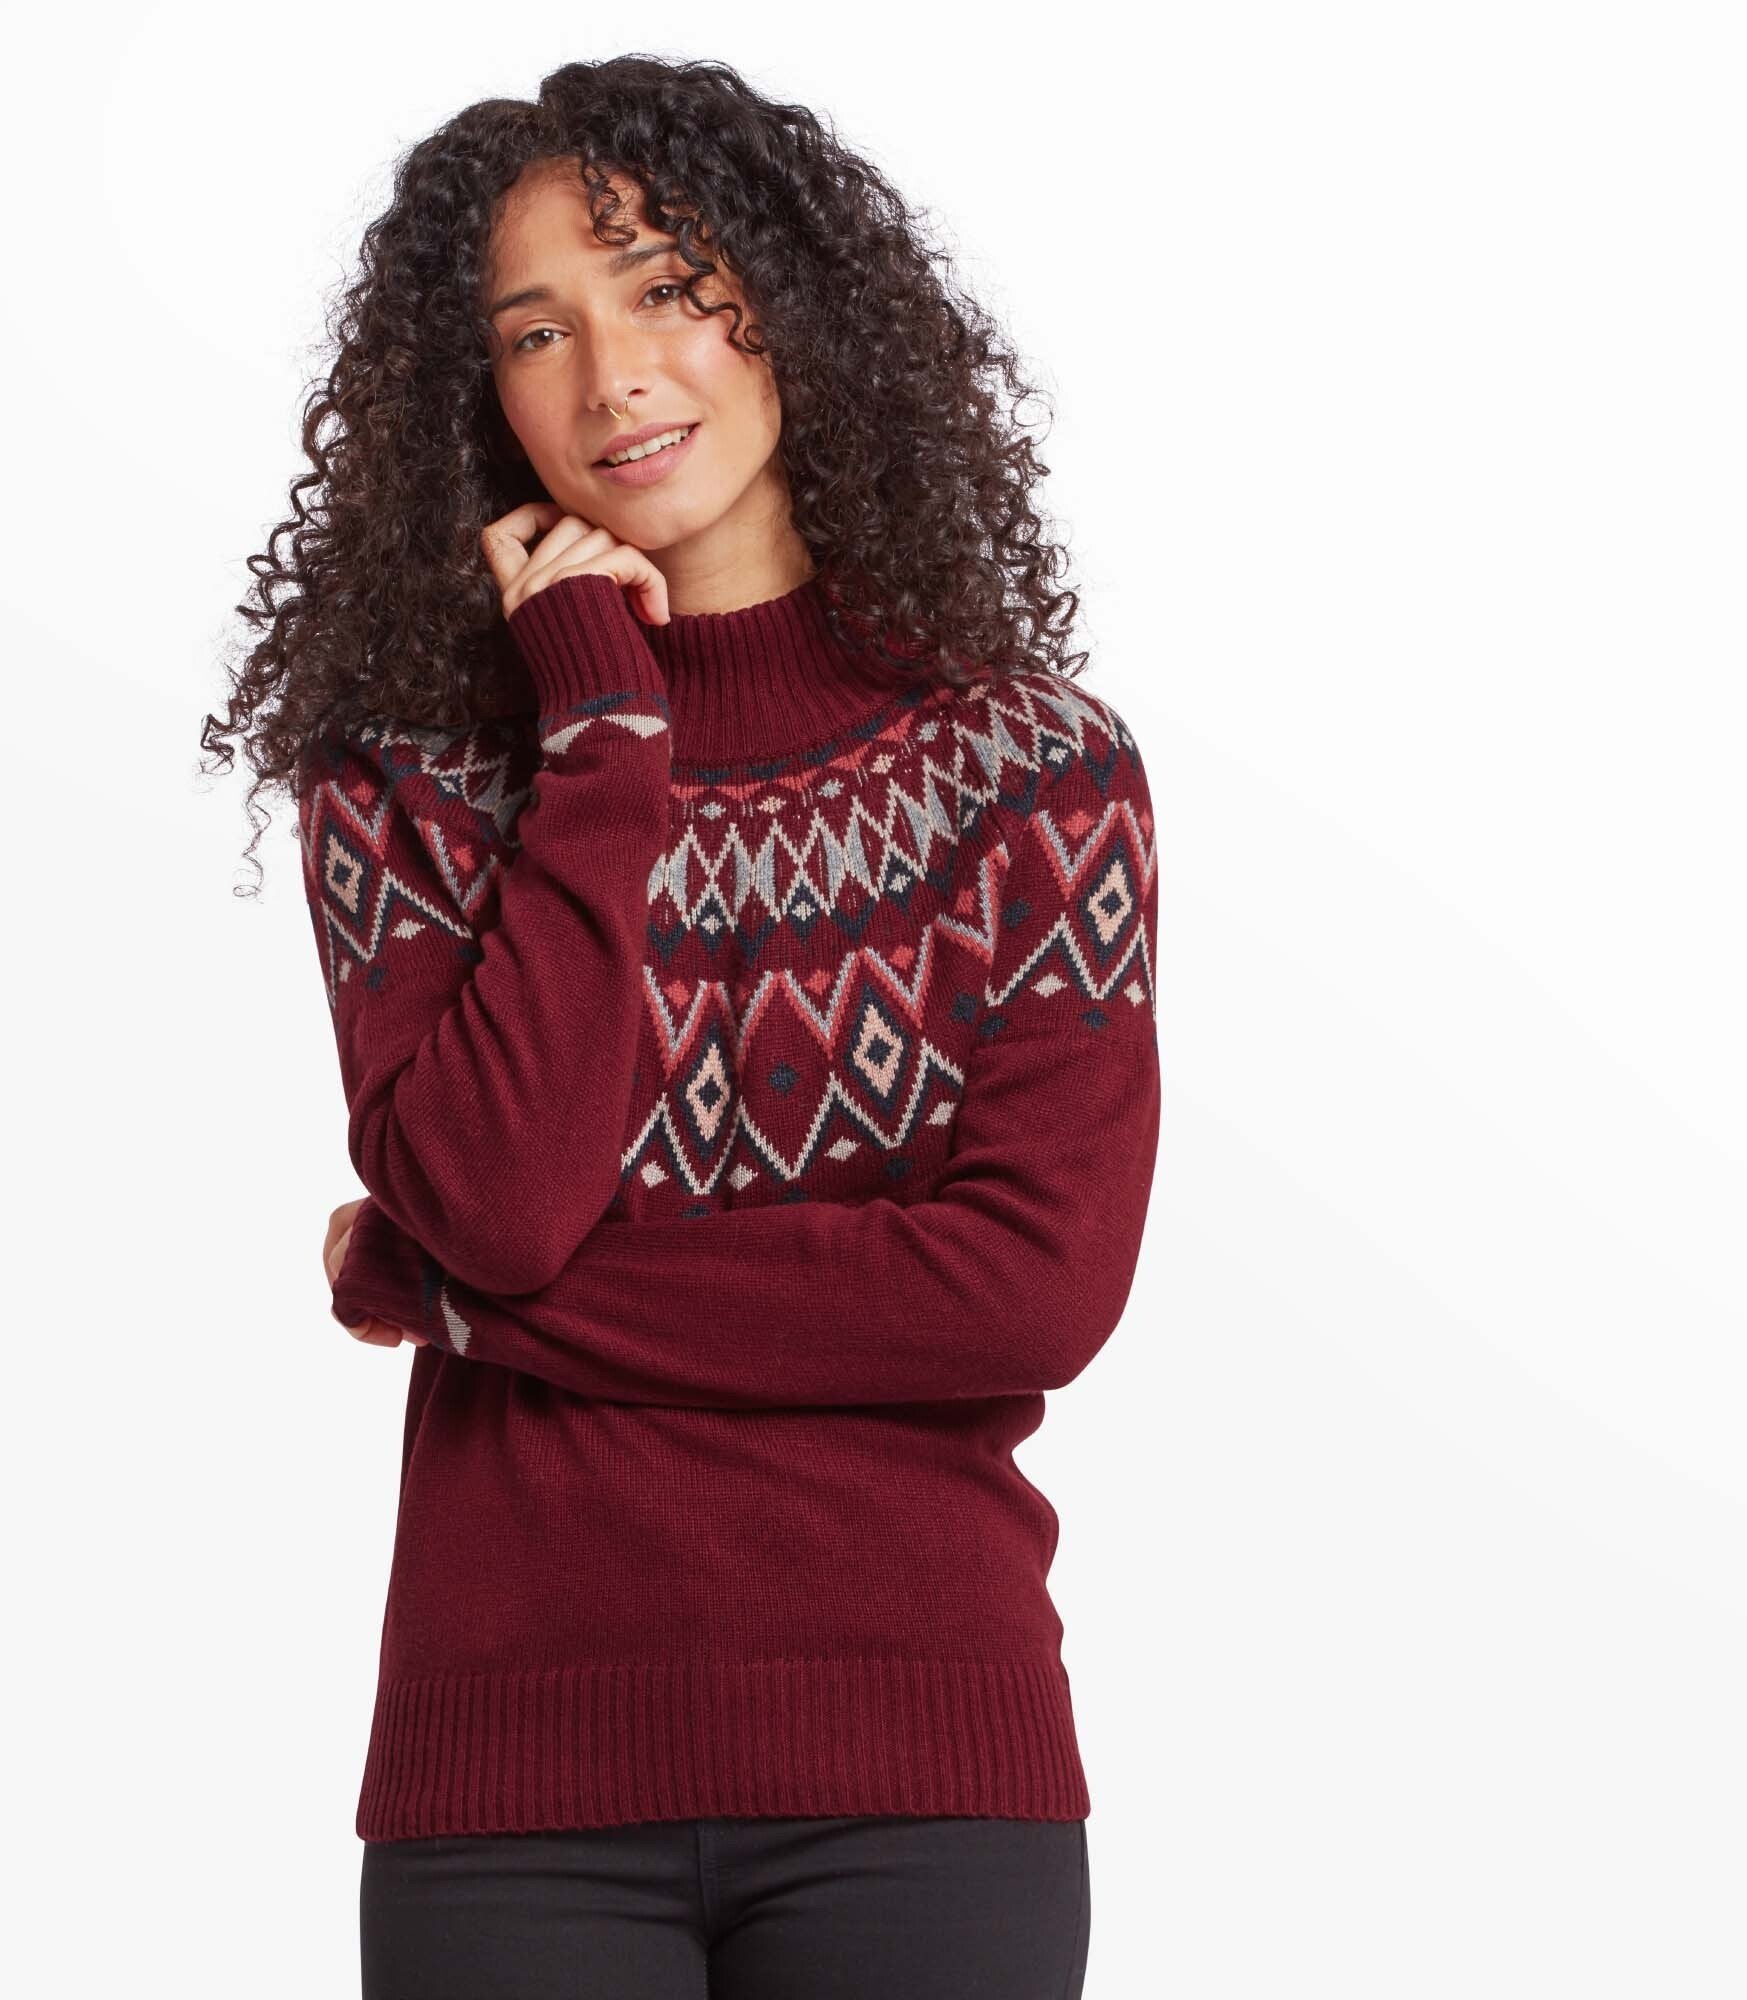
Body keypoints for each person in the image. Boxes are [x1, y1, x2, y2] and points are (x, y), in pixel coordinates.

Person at [205, 52, 1158, 2000]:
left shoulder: (1032, 775)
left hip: (922, 1769)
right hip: (512, 1787)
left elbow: (1026, 1291)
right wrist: (605, 738)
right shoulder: (407, 789)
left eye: (660, 287)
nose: (614, 376)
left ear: (787, 304)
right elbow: (502, 1193)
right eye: (534, 331)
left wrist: (460, 1294)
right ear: (475, 396)